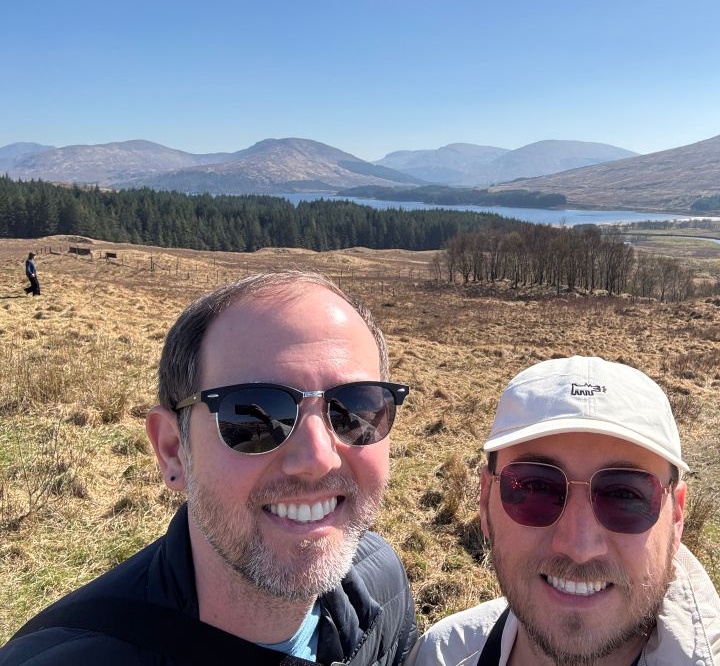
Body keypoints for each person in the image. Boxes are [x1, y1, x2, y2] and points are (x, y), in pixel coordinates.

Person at [1, 271, 417, 666]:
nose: (317, 457)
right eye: (252, 419)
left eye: (356, 407)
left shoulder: (384, 583)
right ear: (173, 450)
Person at [410, 356, 720, 666]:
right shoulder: (445, 652)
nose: (578, 546)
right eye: (535, 486)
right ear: (485, 501)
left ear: (676, 519)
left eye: (624, 495)